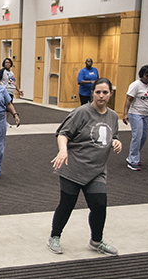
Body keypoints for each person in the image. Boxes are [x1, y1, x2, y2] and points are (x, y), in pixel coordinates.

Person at [48, 78, 122, 256]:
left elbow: (113, 135)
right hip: (73, 168)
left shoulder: (112, 116)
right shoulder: (81, 112)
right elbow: (62, 134)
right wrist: (63, 151)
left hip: (96, 171)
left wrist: (116, 141)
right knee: (67, 204)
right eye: (98, 92)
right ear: (92, 93)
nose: (101, 96)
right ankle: (54, 237)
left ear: (110, 94)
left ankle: (96, 241)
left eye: (105, 92)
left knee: (99, 205)